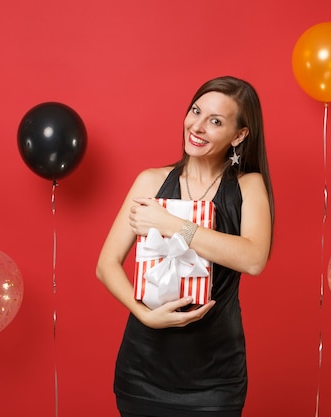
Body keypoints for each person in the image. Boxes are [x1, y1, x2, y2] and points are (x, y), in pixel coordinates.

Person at [96, 75, 275, 417]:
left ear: (239, 135)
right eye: (196, 111)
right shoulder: (150, 181)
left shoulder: (248, 186)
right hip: (142, 369)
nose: (198, 126)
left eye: (216, 121)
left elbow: (253, 259)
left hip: (215, 379)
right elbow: (106, 264)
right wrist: (146, 316)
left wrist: (171, 225)